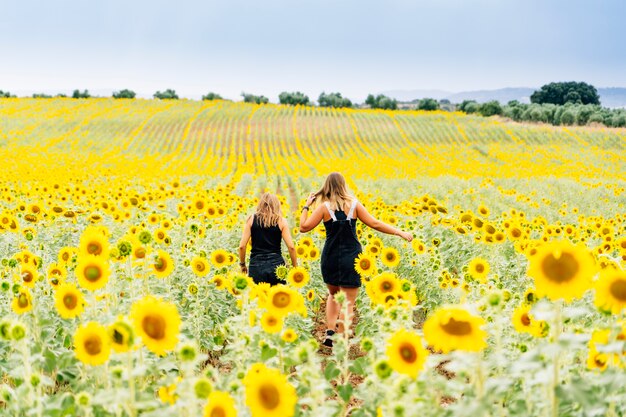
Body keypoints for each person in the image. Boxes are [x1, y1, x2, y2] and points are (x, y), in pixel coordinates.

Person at [299, 172, 412, 347]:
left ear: (327, 186)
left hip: (330, 256)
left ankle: (330, 333)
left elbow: (303, 227)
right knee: (348, 302)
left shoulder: (324, 208)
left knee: (333, 295)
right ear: (343, 185)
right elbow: (375, 224)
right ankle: (342, 340)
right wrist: (400, 232)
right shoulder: (354, 205)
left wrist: (306, 207)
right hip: (351, 257)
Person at [239, 192, 297, 285]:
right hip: (277, 266)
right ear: (277, 205)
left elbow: (242, 246)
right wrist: (295, 267)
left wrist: (242, 265)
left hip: (256, 265)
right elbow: (291, 247)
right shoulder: (281, 221)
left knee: (258, 297)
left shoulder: (251, 219)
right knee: (278, 297)